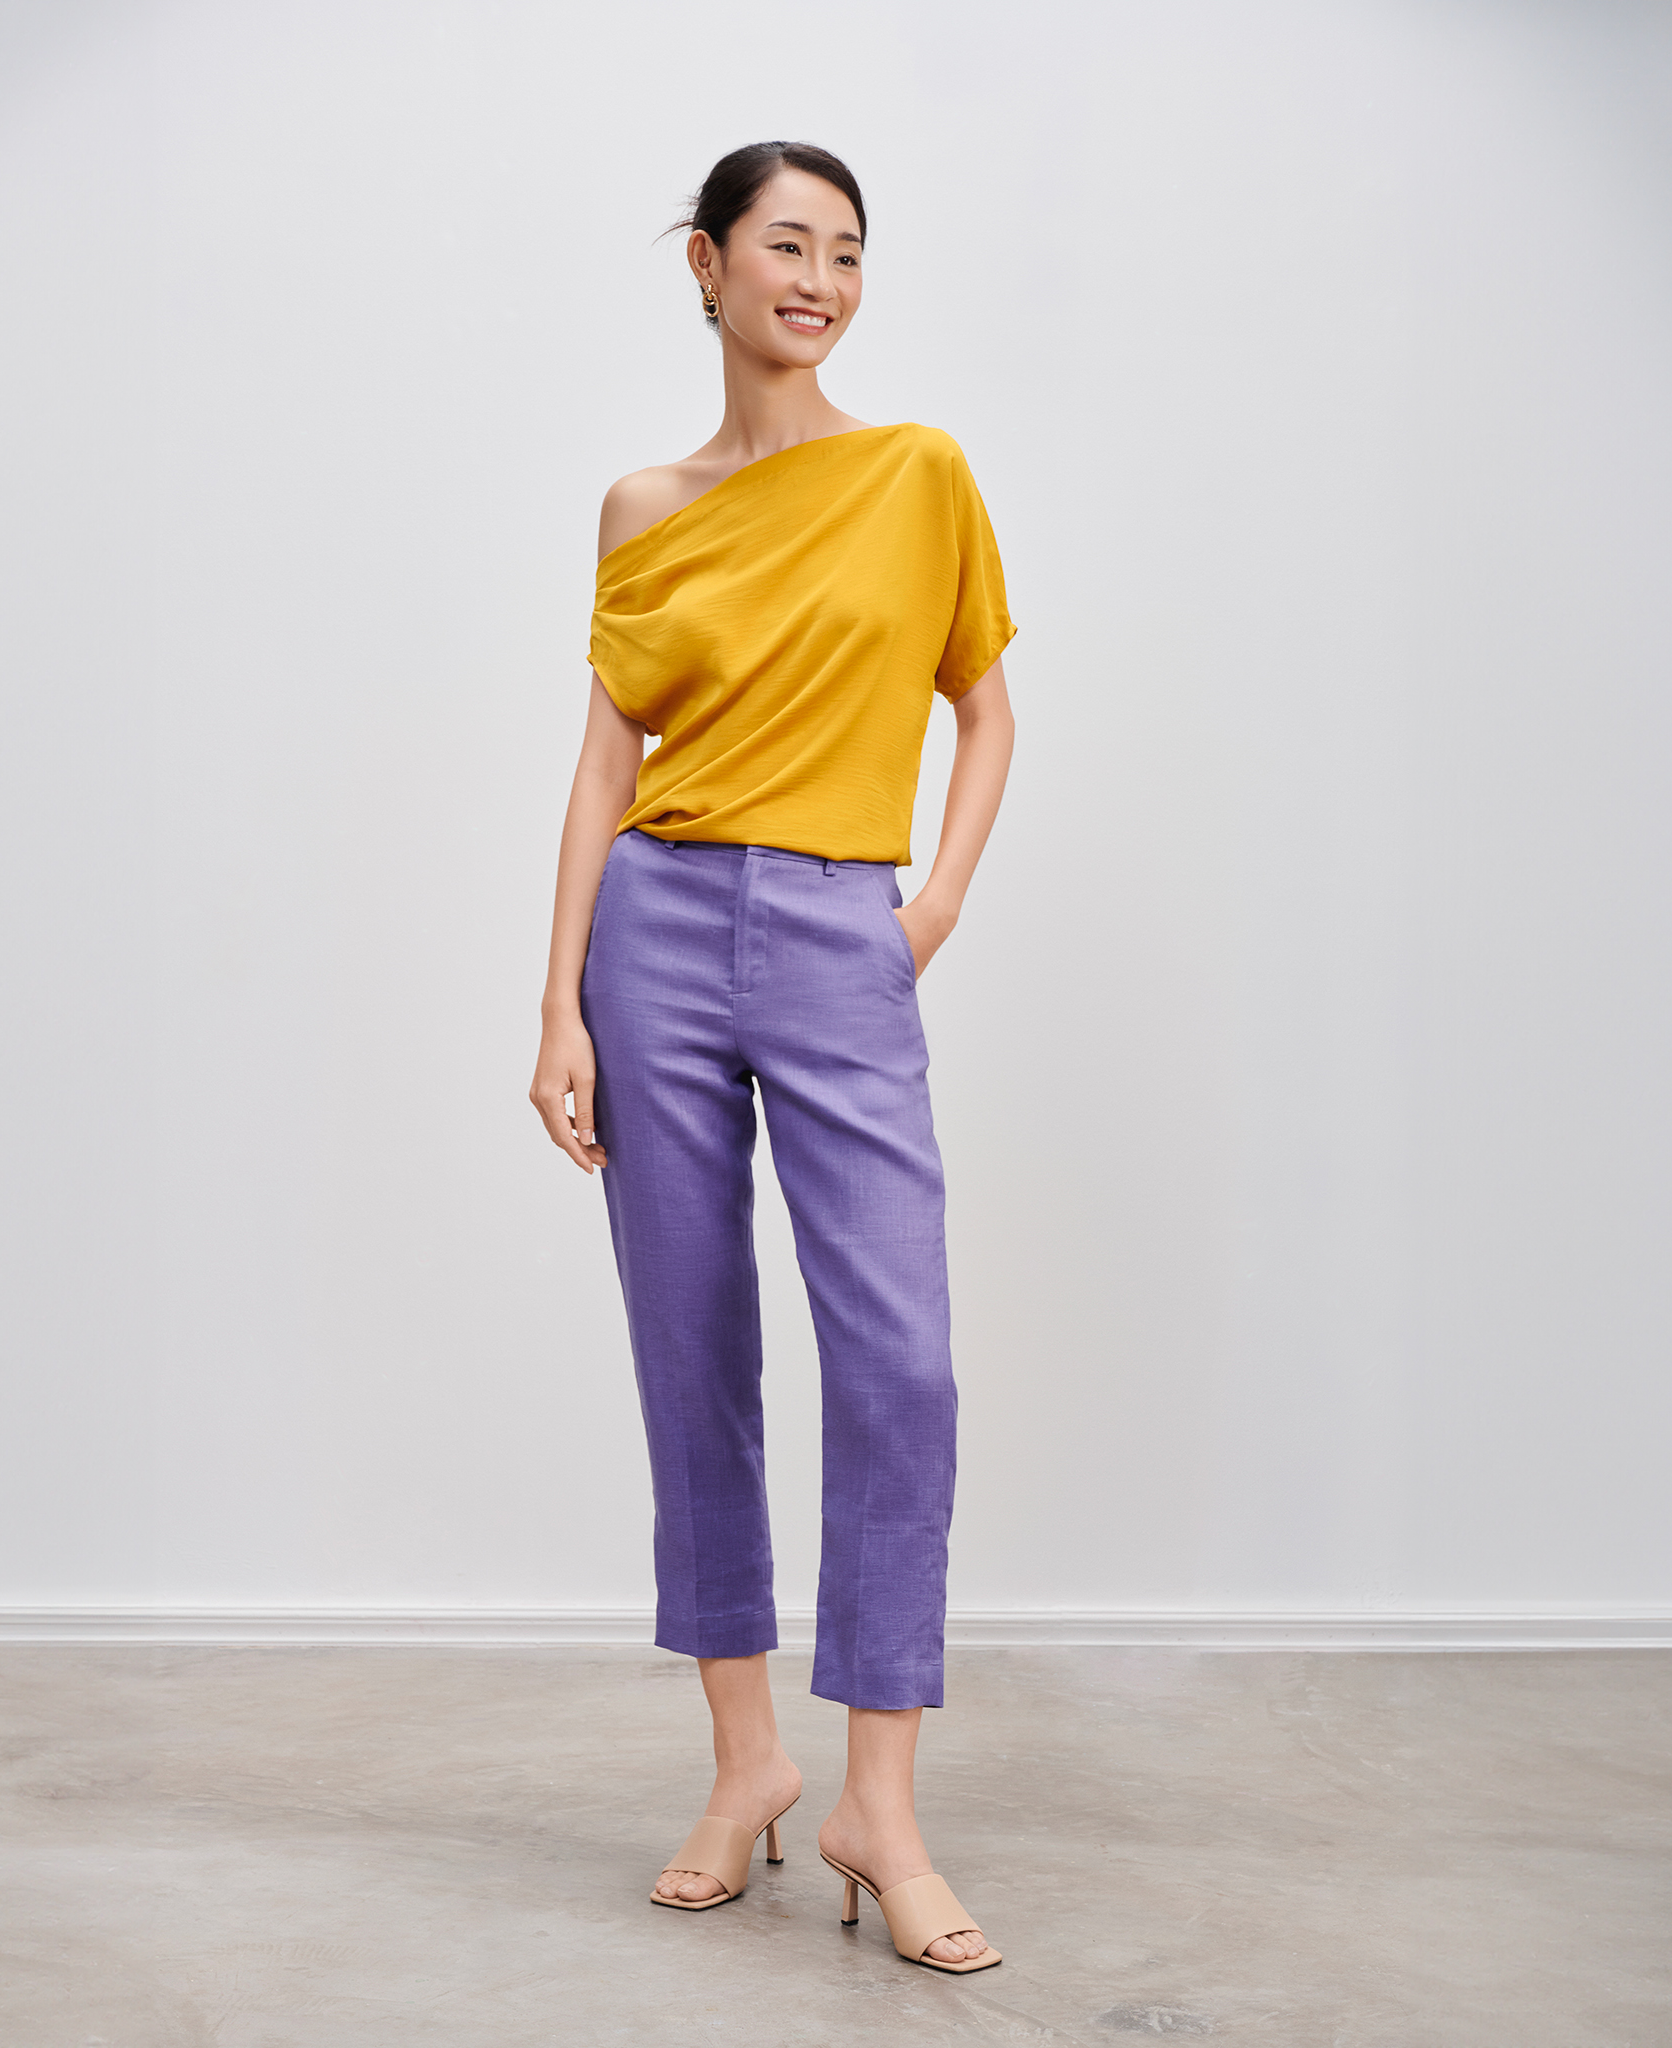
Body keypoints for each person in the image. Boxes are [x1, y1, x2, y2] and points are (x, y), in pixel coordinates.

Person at [529, 141, 1015, 1974]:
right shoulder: (642, 505)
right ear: (708, 266)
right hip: (653, 931)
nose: (819, 280)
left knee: (902, 1362)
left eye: (848, 253)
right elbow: (605, 759)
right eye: (787, 246)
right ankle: (747, 1768)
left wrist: (930, 904)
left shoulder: (917, 473)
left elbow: (986, 708)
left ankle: (881, 1806)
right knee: (693, 1346)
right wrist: (559, 1002)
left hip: (838, 927)